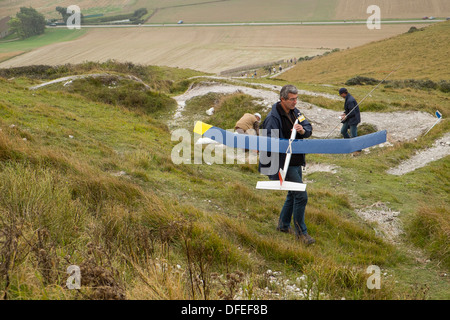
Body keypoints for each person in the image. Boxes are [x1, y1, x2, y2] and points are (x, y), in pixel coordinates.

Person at [259, 85, 315, 245]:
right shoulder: (272, 118)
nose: (295, 102)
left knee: (292, 193)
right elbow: (269, 145)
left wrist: (302, 131)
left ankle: (283, 226)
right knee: (301, 195)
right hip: (285, 163)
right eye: (292, 99)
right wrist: (275, 169)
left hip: (297, 161)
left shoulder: (296, 112)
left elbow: (308, 127)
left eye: (296, 99)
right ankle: (301, 234)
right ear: (282, 99)